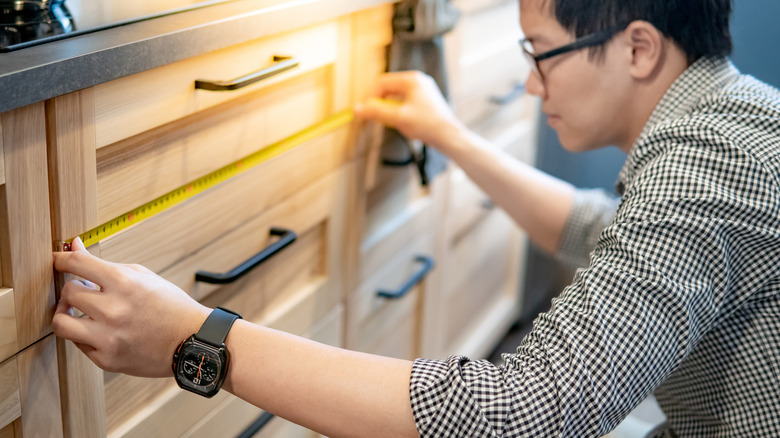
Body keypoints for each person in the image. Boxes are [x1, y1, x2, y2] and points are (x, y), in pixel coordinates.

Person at [52, 0, 780, 436]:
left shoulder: (704, 166)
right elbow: (600, 233)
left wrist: (196, 338)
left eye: (542, 54)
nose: (530, 83)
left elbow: (530, 413)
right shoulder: (729, 119)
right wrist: (452, 136)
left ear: (640, 47)